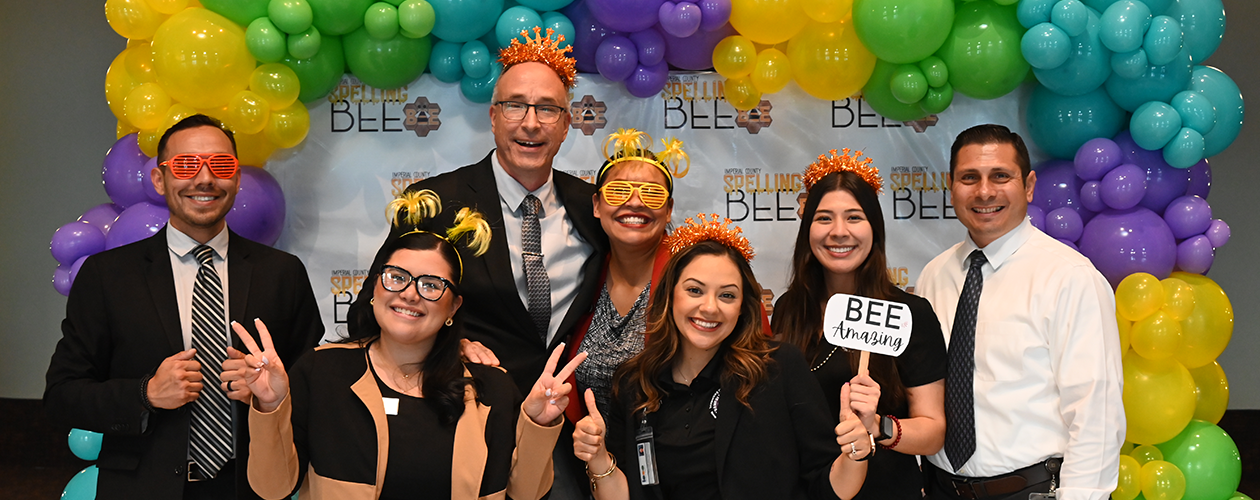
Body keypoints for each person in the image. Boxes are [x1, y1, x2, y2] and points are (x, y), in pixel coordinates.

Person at [44, 114, 325, 499]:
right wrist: (146, 393)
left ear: (238, 179)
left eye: (221, 165)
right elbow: (62, 396)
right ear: (159, 180)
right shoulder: (107, 276)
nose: (205, 179)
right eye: (186, 166)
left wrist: (271, 396)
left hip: (250, 487)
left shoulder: (282, 273)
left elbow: (316, 388)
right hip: (141, 487)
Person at [239, 190, 584, 500]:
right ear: (375, 288)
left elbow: (526, 494)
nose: (409, 293)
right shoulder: (321, 372)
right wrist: (270, 407)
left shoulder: (491, 388)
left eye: (431, 284)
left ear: (453, 307)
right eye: (397, 277)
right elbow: (272, 489)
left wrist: (539, 425)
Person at [572, 214, 873, 500]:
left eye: (727, 295)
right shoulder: (635, 381)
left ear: (743, 306)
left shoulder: (778, 368)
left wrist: (856, 453)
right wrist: (598, 458)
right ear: (670, 295)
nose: (710, 308)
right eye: (694, 290)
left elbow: (831, 487)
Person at [374, 27, 606, 395]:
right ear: (494, 116)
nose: (531, 123)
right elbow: (373, 311)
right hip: (464, 411)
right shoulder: (432, 202)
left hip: (566, 415)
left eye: (547, 109)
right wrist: (449, 343)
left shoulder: (594, 206)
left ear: (566, 125)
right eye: (516, 105)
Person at [916, 124, 1124, 500]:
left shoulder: (1069, 277)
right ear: (951, 186)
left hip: (1031, 490)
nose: (984, 191)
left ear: (1028, 186)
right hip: (940, 488)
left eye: (1000, 176)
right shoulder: (934, 274)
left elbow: (1096, 410)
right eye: (969, 178)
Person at [773, 149, 947, 500]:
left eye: (854, 217)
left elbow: (933, 432)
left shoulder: (910, 313)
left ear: (874, 228)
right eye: (824, 219)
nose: (839, 232)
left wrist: (878, 426)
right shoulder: (788, 308)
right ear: (807, 229)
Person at [560, 128, 681, 422]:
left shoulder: (696, 274)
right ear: (597, 206)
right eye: (618, 191)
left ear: (668, 210)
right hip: (590, 456)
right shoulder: (579, 271)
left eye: (652, 194)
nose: (635, 203)